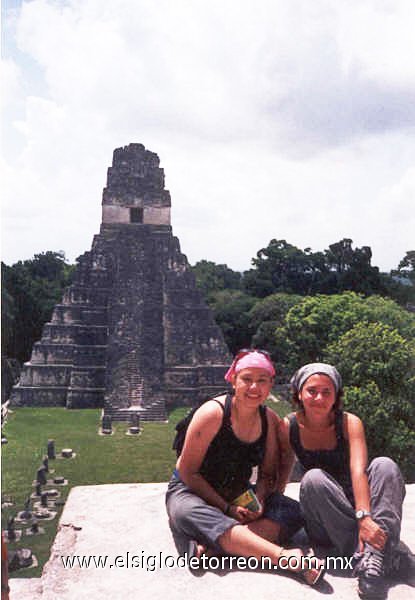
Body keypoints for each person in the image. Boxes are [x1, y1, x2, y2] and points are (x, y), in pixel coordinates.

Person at [165, 349, 325, 585]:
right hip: (192, 490)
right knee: (186, 512)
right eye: (247, 379)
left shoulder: (268, 419)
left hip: (236, 492)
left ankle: (212, 549)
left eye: (262, 381)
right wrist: (226, 509)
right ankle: (286, 559)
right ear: (233, 380)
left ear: (271, 383)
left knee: (293, 511)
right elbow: (188, 472)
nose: (254, 388)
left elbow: (268, 474)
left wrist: (259, 498)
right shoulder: (213, 413)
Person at [278, 362, 410, 599]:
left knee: (385, 465)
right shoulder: (289, 426)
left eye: (327, 392)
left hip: (358, 506)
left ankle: (373, 559)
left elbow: (359, 470)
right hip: (325, 517)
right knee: (313, 479)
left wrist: (364, 518)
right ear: (299, 393)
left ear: (336, 395)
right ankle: (385, 556)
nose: (319, 398)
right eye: (312, 391)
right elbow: (281, 473)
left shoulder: (349, 422)